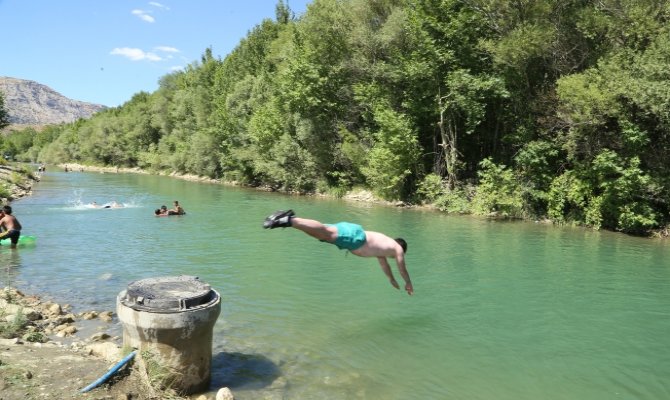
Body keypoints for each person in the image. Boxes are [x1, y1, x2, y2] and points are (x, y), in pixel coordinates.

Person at [263, 210, 413, 295]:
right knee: (324, 232)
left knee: (320, 234)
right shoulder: (397, 248)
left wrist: (391, 279)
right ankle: (288, 219)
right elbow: (402, 268)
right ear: (402, 248)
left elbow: (384, 265)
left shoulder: (384, 249)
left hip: (353, 237)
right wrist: (408, 283)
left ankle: (286, 220)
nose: (395, 258)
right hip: (355, 237)